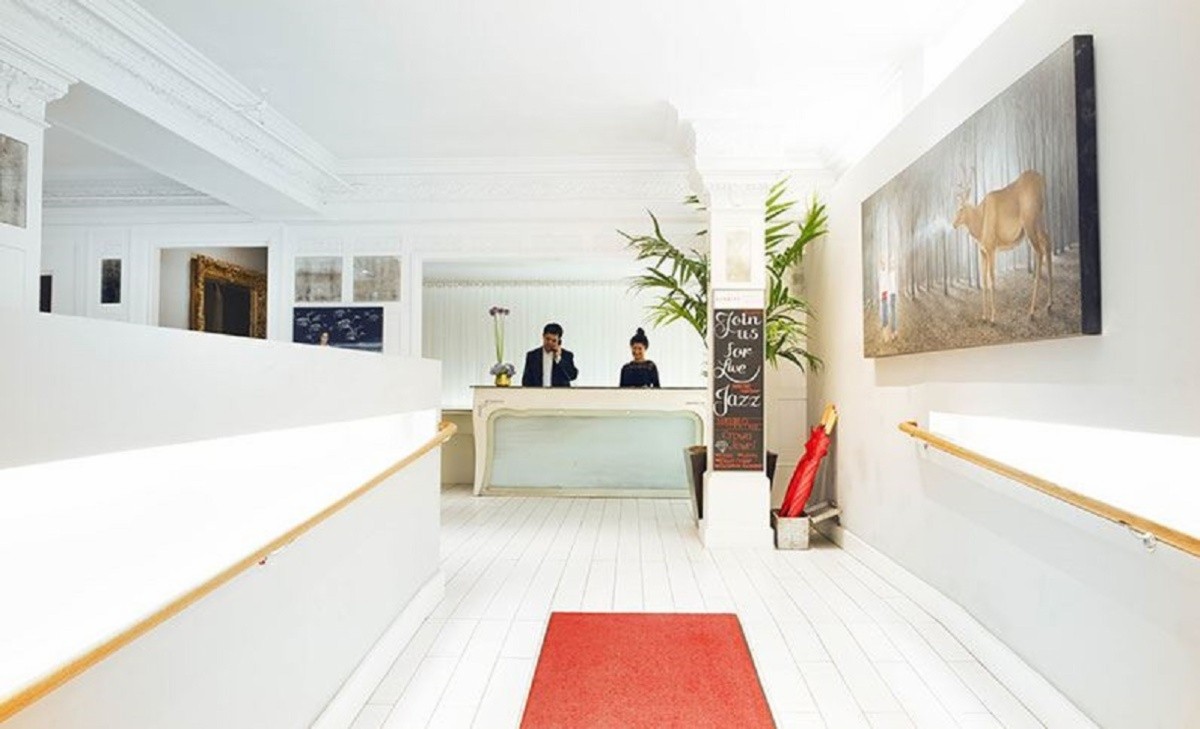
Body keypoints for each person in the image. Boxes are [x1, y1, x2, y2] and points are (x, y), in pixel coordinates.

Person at [521, 322, 578, 387]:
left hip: (559, 393)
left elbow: (572, 376)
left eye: (554, 340)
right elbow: (526, 381)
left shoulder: (567, 355)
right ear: (543, 336)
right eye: (547, 339)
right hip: (538, 392)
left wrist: (558, 358)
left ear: (559, 341)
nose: (549, 343)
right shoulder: (532, 356)